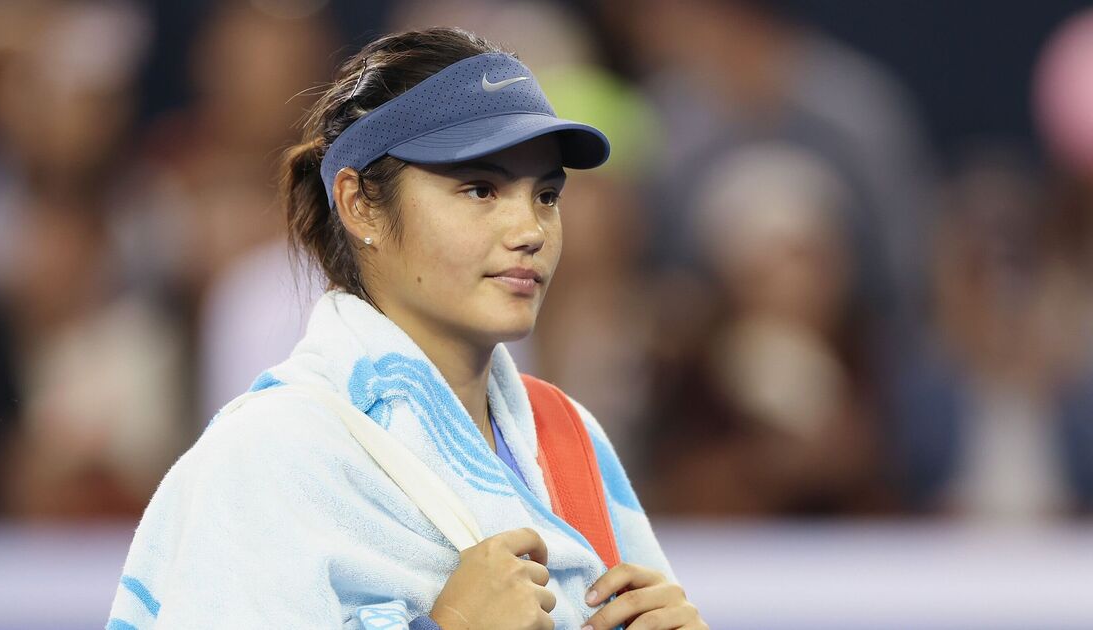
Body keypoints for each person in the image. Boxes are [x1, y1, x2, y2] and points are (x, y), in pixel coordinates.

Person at [107, 28, 708, 630]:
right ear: (358, 203)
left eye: (546, 195)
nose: (530, 230)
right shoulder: (266, 455)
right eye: (481, 189)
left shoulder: (569, 435)